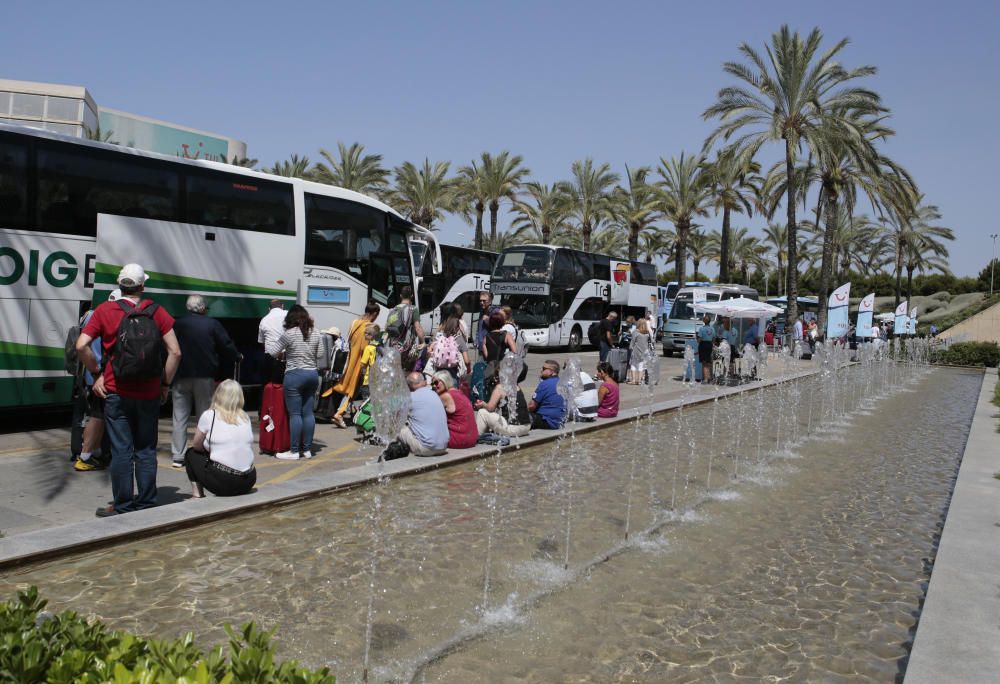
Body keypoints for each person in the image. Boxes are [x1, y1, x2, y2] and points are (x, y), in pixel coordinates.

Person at [77, 263, 181, 517]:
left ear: (120, 285)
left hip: (117, 392)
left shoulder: (105, 310)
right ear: (142, 286)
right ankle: (146, 502)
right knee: (145, 449)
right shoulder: (157, 312)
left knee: (122, 450)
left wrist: (97, 374)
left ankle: (123, 505)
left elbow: (82, 346)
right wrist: (164, 385)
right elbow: (175, 352)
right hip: (148, 394)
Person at [170, 294, 239, 469]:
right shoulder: (212, 324)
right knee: (204, 415)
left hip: (181, 375)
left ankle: (178, 456)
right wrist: (237, 355)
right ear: (202, 308)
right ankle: (203, 450)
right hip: (204, 376)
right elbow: (226, 344)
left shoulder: (178, 324)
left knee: (180, 417)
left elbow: (170, 347)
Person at [72, 289, 121, 472]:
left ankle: (92, 453)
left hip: (91, 376)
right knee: (97, 417)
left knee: (94, 416)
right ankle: (85, 456)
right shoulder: (105, 320)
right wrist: (99, 374)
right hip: (99, 378)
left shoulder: (94, 315)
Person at [185, 379, 256, 498]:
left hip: (225, 483)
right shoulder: (245, 417)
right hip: (248, 480)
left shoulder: (209, 415)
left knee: (191, 454)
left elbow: (197, 445)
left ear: (218, 395)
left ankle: (197, 495)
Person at [270, 306, 321, 460]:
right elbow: (321, 354)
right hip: (312, 374)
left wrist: (286, 353)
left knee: (295, 414)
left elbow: (273, 352)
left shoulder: (289, 334)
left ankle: (294, 451)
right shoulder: (316, 332)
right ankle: (307, 450)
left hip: (294, 375)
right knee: (308, 413)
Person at [329, 302, 380, 427]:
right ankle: (339, 413)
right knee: (352, 391)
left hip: (350, 361)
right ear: (374, 314)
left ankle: (342, 413)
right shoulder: (370, 327)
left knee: (352, 390)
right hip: (361, 363)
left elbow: (350, 340)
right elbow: (365, 348)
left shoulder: (354, 322)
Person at [398, 372, 449, 456]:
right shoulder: (435, 394)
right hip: (443, 446)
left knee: (398, 428)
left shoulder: (409, 397)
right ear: (423, 382)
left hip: (427, 448)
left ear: (408, 386)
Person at [473, 367, 531, 437]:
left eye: (497, 375)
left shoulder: (500, 387)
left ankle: (476, 436)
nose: (495, 378)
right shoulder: (516, 385)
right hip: (526, 427)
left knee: (482, 412)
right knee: (496, 416)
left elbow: (490, 408)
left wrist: (482, 404)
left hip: (514, 429)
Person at [431, 371, 479, 449]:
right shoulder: (459, 393)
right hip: (472, 439)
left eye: (436, 383)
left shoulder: (445, 396)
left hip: (458, 440)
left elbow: (431, 417)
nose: (434, 386)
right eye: (432, 384)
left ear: (445, 381)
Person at [385, 286, 425, 371]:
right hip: (406, 348)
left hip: (393, 346)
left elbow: (386, 328)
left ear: (400, 296)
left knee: (394, 371)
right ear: (411, 296)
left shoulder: (393, 309)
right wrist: (423, 342)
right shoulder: (413, 309)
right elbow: (418, 327)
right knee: (406, 372)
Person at [428, 316, 470, 382]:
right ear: (457, 327)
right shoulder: (459, 339)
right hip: (452, 374)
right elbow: (467, 361)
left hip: (438, 372)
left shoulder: (439, 337)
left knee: (437, 389)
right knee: (452, 390)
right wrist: (468, 369)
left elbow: (430, 353)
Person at [528, 360, 566, 430]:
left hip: (547, 420)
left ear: (551, 372)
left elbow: (531, 406)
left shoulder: (545, 384)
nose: (541, 370)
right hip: (559, 421)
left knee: (520, 416)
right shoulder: (562, 383)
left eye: (544, 369)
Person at [258, 299, 286, 384]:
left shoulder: (264, 320)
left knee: (269, 384)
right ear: (282, 306)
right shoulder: (288, 314)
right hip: (286, 356)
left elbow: (262, 342)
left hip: (270, 357)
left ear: (269, 309)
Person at [628, 318, 653, 385]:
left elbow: (632, 342)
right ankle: (639, 381)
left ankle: (633, 380)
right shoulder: (647, 332)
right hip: (645, 351)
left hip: (636, 351)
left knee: (633, 365)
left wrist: (630, 348)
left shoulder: (636, 332)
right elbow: (651, 341)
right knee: (641, 366)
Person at [696, 314, 716, 383]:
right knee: (709, 362)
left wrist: (697, 339)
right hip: (710, 344)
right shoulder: (712, 329)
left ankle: (705, 379)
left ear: (704, 321)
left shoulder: (701, 329)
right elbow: (714, 338)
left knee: (704, 363)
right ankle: (711, 378)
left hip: (703, 345)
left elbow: (699, 339)